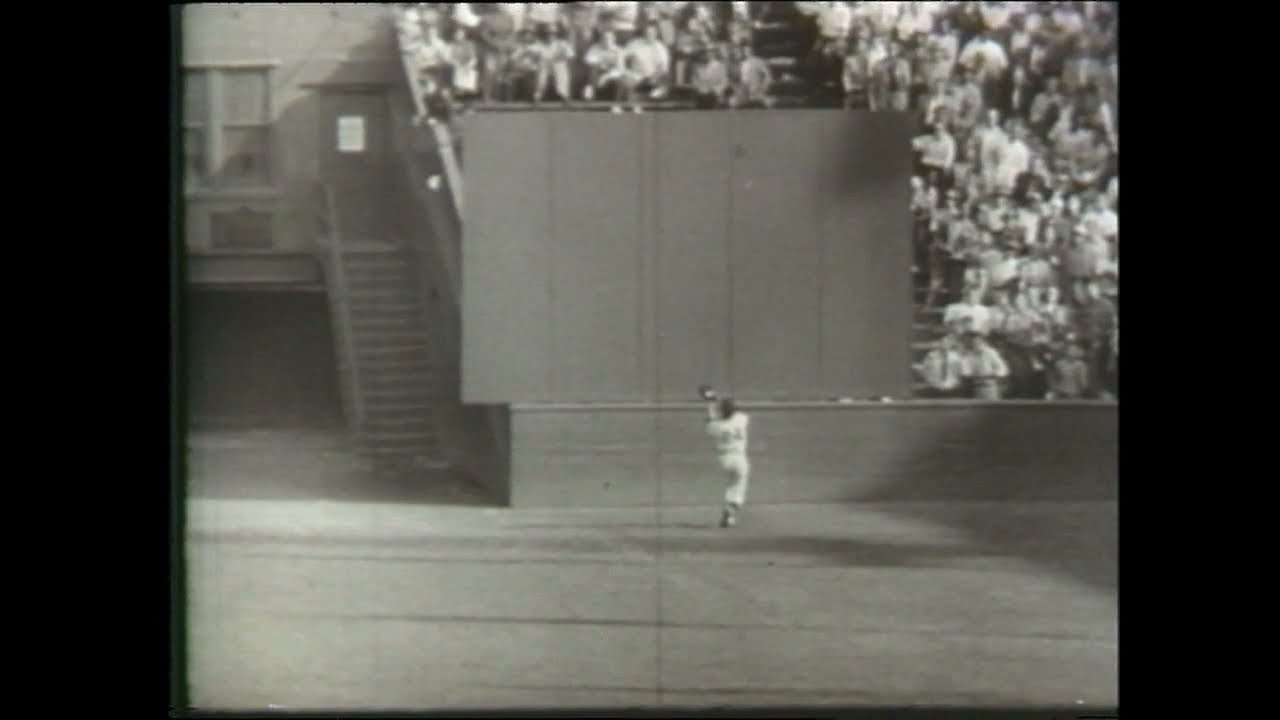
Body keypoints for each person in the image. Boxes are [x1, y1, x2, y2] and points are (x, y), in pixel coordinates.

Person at [700, 386, 751, 528]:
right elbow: (734, 410)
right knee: (738, 486)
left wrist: (710, 401)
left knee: (731, 485)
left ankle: (730, 516)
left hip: (724, 460)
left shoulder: (717, 426)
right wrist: (717, 399)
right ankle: (730, 511)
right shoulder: (742, 419)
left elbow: (710, 420)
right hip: (740, 459)